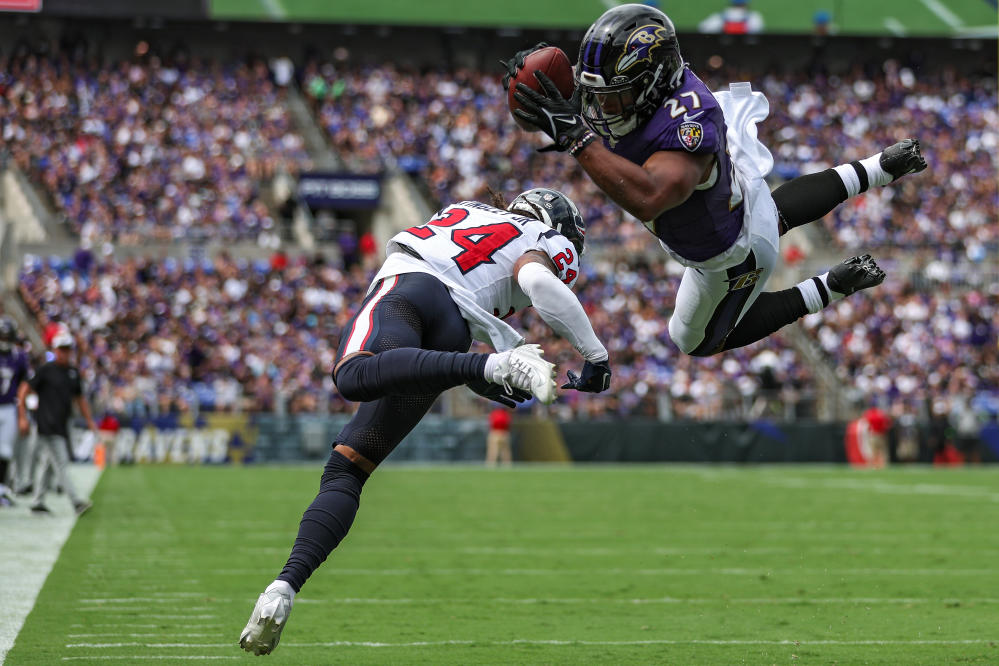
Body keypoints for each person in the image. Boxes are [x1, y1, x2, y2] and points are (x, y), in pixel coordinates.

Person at [239, 188, 612, 655]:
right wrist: (594, 357)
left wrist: (488, 368)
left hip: (412, 292)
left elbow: (517, 276)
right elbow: (532, 278)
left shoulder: (466, 209)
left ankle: (490, 365)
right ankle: (283, 588)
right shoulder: (539, 236)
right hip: (452, 333)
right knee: (348, 467)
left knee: (353, 374)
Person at [504, 4, 927, 358]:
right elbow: (590, 88)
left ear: (650, 85)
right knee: (773, 212)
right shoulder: (647, 86)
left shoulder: (686, 124)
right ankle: (883, 166)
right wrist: (541, 81)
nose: (599, 105)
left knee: (693, 341)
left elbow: (650, 197)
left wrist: (578, 138)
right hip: (738, 202)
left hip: (731, 255)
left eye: (613, 93)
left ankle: (830, 287)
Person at [16, 330, 97, 516]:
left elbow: (80, 399)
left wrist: (89, 420)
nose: (65, 353)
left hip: (62, 424)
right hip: (46, 424)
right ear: (55, 350)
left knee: (48, 463)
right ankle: (76, 502)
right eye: (62, 349)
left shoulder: (72, 372)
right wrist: (22, 416)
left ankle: (38, 501)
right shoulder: (46, 370)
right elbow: (24, 389)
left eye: (68, 349)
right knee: (61, 462)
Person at [0, 317, 29, 506]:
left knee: (5, 451)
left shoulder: (19, 357)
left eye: (6, 335)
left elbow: (24, 385)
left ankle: (1, 489)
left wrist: (22, 414)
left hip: (10, 407)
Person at [698, 0, 765, 34]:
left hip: (723, 51)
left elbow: (702, 29)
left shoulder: (719, 17)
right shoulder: (754, 18)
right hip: (746, 52)